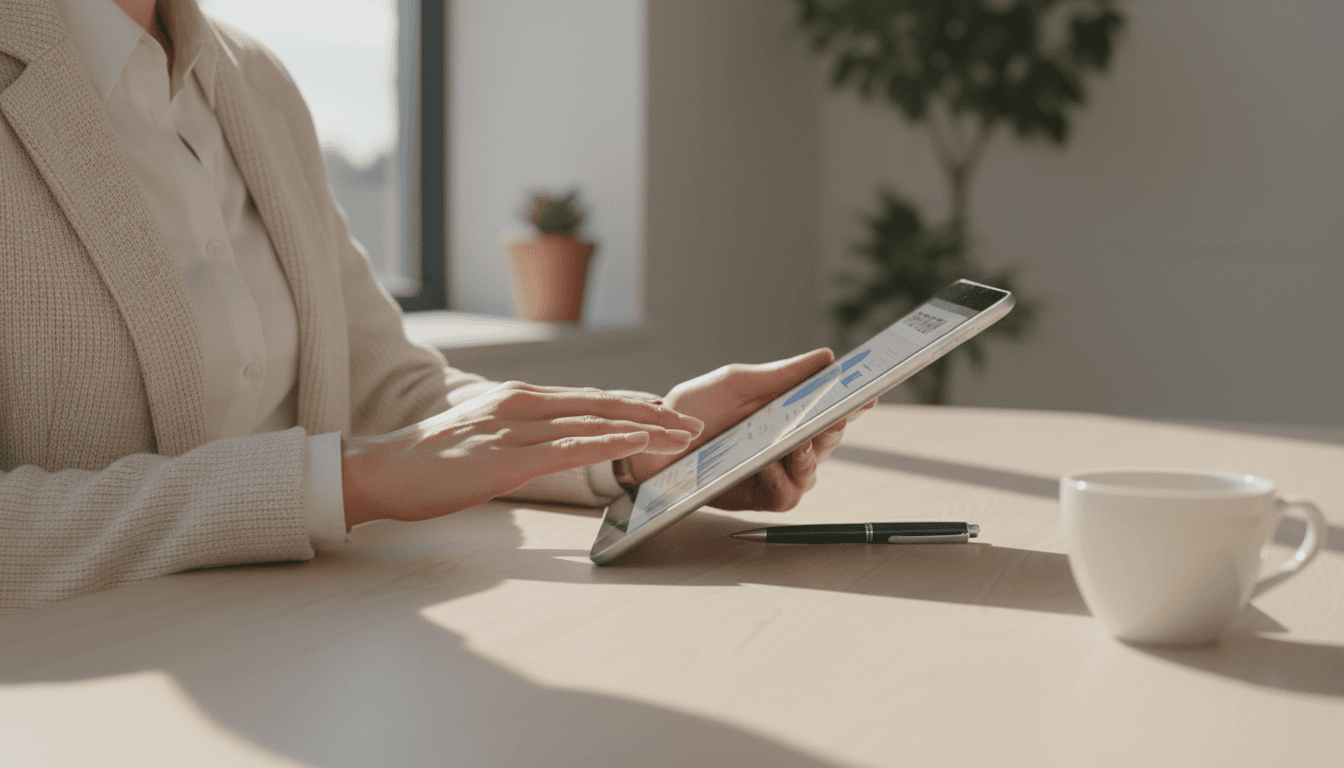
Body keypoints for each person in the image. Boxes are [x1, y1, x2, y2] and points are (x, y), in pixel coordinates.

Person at [0, 0, 867, 612]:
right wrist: (344, 481)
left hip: (312, 645)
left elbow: (398, 396)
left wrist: (644, 446)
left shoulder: (252, 82)